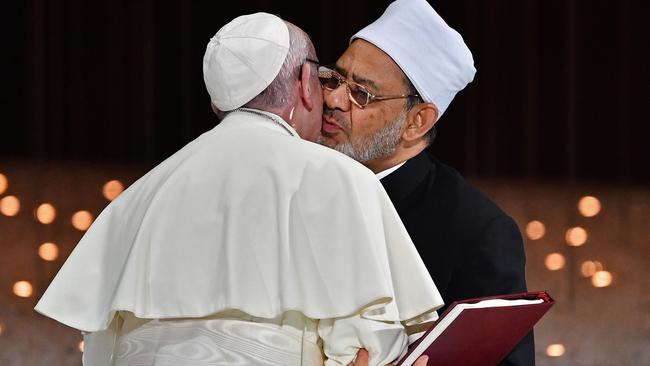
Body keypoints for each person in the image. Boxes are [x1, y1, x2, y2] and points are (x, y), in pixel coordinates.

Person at [34, 12, 443, 366]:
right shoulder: (338, 179)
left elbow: (101, 349)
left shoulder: (139, 196)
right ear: (305, 83)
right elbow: (369, 349)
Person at [317, 0, 534, 364]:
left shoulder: (476, 232)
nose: (334, 99)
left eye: (361, 94)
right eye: (336, 78)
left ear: (418, 121)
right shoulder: (299, 180)